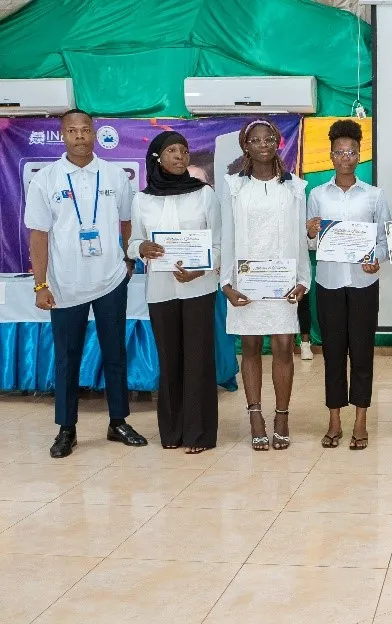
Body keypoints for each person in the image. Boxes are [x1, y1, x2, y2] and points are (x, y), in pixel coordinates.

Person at [24, 109, 147, 458]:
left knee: (115, 353)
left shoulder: (114, 176)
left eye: (85, 130)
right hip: (64, 284)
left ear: (95, 134)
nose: (79, 136)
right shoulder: (46, 179)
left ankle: (118, 421)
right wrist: (40, 284)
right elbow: (38, 235)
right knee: (67, 356)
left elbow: (126, 223)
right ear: (62, 135)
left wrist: (126, 260)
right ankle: (67, 428)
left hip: (110, 280)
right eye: (72, 130)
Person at [219, 119, 310, 451]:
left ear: (278, 142)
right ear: (245, 145)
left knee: (285, 347)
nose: (263, 144)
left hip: (282, 283)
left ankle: (282, 416)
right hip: (246, 283)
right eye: (255, 139)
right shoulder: (232, 187)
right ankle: (255, 415)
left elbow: (300, 238)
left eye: (269, 138)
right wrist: (226, 282)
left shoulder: (295, 188)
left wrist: (303, 280)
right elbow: (225, 236)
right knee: (252, 348)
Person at [128, 130, 221, 454]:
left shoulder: (204, 194)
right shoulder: (142, 199)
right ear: (157, 157)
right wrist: (143, 247)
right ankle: (172, 431)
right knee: (169, 361)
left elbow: (220, 242)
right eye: (173, 151)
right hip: (160, 289)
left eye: (184, 150)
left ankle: (199, 435)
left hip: (199, 286)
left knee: (197, 361)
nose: (181, 156)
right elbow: (132, 243)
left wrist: (203, 267)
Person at [306, 120, 391, 451]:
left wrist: (377, 259)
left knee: (362, 353)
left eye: (351, 152)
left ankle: (360, 421)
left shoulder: (374, 195)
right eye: (339, 152)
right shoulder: (317, 195)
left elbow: (384, 240)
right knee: (332, 354)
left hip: (363, 284)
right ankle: (334, 420)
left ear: (359, 156)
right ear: (330, 156)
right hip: (328, 284)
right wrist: (311, 233)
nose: (345, 157)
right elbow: (312, 245)